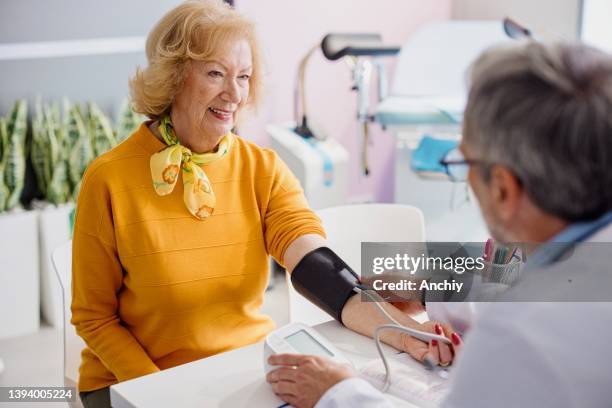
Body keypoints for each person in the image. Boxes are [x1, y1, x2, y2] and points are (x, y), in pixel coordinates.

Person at [71, 1, 458, 407]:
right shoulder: (109, 179)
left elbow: (323, 273)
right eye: (215, 73)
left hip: (239, 369)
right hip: (131, 380)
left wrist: (407, 334)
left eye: (244, 76)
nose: (235, 93)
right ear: (173, 77)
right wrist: (155, 392)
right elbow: (94, 318)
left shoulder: (262, 169)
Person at [267, 41, 612, 407]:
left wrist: (338, 394)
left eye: (464, 166)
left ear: (504, 188)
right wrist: (428, 290)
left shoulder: (518, 340)